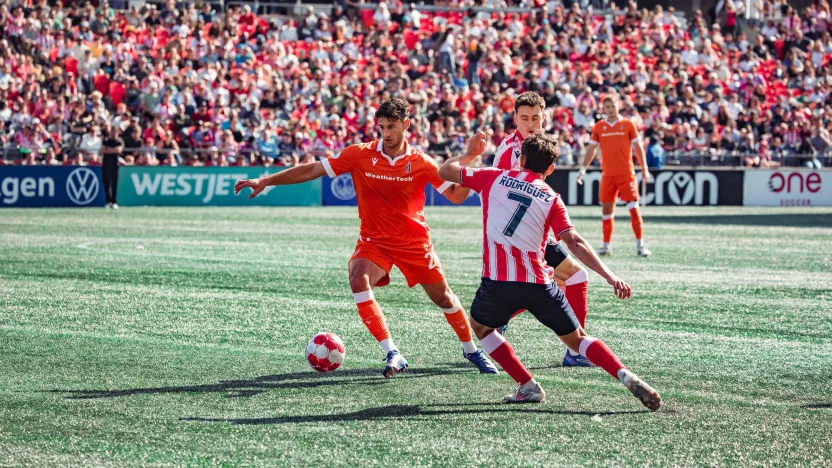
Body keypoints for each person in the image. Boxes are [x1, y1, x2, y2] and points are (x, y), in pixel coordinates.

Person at [235, 98, 497, 378]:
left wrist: (470, 163)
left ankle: (471, 350)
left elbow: (457, 196)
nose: (386, 133)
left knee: (444, 298)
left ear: (406, 125)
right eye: (382, 126)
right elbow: (312, 169)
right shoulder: (358, 154)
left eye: (392, 126)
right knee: (357, 275)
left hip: (414, 244)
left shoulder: (421, 162)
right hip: (375, 242)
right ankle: (392, 352)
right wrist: (266, 180)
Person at [438, 132, 662, 410]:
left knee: (481, 327)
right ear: (551, 169)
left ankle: (528, 385)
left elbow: (444, 170)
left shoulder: (493, 177)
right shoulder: (551, 198)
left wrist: (471, 153)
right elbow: (574, 242)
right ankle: (624, 374)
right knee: (577, 339)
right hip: (541, 284)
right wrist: (610, 276)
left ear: (520, 159)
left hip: (498, 283)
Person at [492, 92, 592, 367]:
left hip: (533, 235)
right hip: (520, 237)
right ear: (515, 119)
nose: (531, 123)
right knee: (575, 277)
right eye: (524, 118)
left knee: (553, 284)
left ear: (543, 117)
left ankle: (497, 319)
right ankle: (576, 350)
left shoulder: (540, 145)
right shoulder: (510, 152)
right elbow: (493, 193)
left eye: (535, 117)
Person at [577, 95, 651, 257]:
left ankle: (640, 245)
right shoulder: (599, 127)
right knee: (607, 211)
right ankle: (606, 245)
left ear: (619, 105)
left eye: (613, 106)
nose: (610, 109)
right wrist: (583, 169)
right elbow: (591, 149)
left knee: (633, 209)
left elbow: (638, 148)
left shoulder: (628, 124)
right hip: (608, 175)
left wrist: (644, 169)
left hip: (626, 175)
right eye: (607, 107)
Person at [101, 125, 124, 209]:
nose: (114, 133)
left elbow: (118, 150)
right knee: (106, 184)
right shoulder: (106, 141)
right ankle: (108, 201)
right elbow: (102, 150)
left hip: (115, 166)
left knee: (114, 184)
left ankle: (114, 202)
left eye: (115, 132)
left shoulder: (119, 141)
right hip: (106, 165)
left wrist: (108, 150)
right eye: (112, 131)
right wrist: (112, 150)